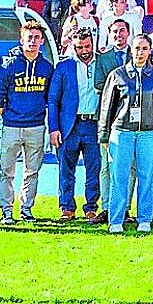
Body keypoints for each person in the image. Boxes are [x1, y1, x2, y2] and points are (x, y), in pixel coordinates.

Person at [99, 33, 153, 234]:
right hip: (122, 132)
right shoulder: (117, 75)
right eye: (137, 48)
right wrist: (104, 135)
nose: (140, 52)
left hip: (149, 132)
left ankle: (145, 219)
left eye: (144, 48)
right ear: (131, 50)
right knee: (119, 176)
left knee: (146, 176)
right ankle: (116, 220)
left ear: (150, 51)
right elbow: (107, 107)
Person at [0, 20, 54, 224]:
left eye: (36, 38)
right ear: (21, 40)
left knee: (32, 171)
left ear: (41, 41)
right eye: (29, 38)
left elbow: (50, 96)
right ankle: (6, 211)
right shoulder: (10, 65)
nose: (33, 41)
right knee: (6, 170)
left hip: (36, 126)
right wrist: (4, 112)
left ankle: (26, 209)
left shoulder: (46, 67)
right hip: (12, 126)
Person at [47, 29, 101, 223]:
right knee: (66, 169)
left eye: (87, 46)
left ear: (92, 43)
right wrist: (54, 128)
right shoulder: (64, 67)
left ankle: (91, 207)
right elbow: (53, 99)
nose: (84, 51)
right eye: (79, 47)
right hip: (69, 126)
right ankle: (67, 207)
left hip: (94, 125)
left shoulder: (102, 63)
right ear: (73, 46)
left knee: (94, 169)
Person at [93, 18, 131, 222]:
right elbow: (99, 85)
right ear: (109, 35)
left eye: (122, 30)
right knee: (106, 166)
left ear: (128, 33)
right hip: (107, 117)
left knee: (129, 167)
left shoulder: (138, 53)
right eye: (114, 31)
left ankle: (125, 208)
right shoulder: (102, 58)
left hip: (132, 119)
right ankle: (107, 207)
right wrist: (125, 90)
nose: (118, 34)